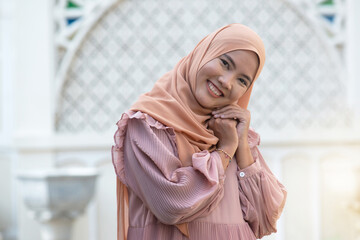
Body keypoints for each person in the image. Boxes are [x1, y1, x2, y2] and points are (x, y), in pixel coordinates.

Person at [112, 23, 287, 240]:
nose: (226, 82)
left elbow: (265, 218)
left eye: (242, 80)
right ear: (203, 53)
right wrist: (225, 150)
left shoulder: (231, 131)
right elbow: (172, 205)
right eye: (224, 63)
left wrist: (240, 143)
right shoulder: (147, 125)